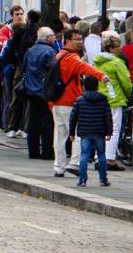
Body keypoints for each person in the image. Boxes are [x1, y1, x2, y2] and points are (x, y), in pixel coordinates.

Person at [49, 31, 106, 177]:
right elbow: (85, 68)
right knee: (77, 133)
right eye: (77, 39)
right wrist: (101, 76)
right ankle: (74, 163)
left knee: (59, 135)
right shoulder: (72, 57)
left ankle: (58, 167)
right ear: (68, 41)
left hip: (57, 101)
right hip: (69, 101)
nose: (80, 42)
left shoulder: (58, 55)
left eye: (81, 39)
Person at [93, 33, 133, 169]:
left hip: (100, 98)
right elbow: (126, 83)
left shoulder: (97, 62)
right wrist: (128, 95)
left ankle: (98, 157)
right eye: (117, 46)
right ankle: (109, 159)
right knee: (114, 129)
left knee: (101, 129)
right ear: (110, 48)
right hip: (114, 99)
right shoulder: (117, 63)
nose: (120, 48)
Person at [20, 27, 59, 161]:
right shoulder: (50, 51)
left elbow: (24, 67)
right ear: (47, 37)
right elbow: (54, 70)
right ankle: (47, 152)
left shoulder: (30, 51)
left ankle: (33, 151)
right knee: (47, 123)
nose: (54, 38)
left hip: (31, 90)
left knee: (33, 121)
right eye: (53, 36)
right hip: (44, 91)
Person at [70, 75, 112, 187]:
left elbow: (73, 117)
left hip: (85, 131)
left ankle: (82, 179)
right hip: (99, 131)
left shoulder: (80, 100)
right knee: (101, 155)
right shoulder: (103, 99)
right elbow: (108, 116)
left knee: (84, 155)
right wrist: (109, 132)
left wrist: (71, 133)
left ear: (84, 86)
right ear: (97, 86)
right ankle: (103, 179)